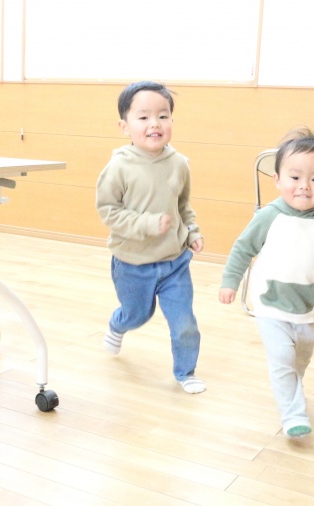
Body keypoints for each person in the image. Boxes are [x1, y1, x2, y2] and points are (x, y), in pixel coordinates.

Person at [218, 128, 314, 437]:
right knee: (282, 358)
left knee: (301, 357)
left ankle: (292, 387)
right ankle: (293, 414)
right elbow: (242, 249)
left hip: (307, 306)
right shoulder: (269, 216)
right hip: (269, 304)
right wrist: (230, 281)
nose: (304, 186)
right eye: (294, 177)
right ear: (277, 180)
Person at [96, 81, 206, 394]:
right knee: (137, 315)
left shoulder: (179, 163)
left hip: (174, 262)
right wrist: (147, 224)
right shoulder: (118, 167)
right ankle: (118, 324)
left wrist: (192, 232)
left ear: (172, 120)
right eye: (143, 117)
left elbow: (183, 206)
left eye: (163, 116)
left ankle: (186, 372)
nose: (154, 124)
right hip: (132, 263)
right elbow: (108, 212)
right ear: (124, 126)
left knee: (184, 322)